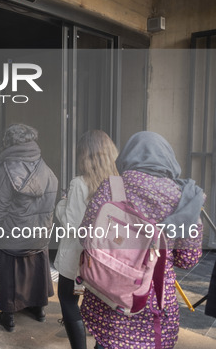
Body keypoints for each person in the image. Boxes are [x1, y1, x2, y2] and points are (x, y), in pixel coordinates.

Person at [79, 131, 204, 349]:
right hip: (152, 299)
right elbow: (188, 259)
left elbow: (86, 235)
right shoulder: (182, 200)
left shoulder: (111, 187)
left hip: (108, 297)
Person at [0, 124, 58, 332]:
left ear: (8, 142)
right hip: (39, 234)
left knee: (9, 271)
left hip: (13, 233)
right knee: (36, 268)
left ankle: (8, 315)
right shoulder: (44, 166)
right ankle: (39, 309)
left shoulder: (5, 168)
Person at [53, 130, 118, 349]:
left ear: (85, 155)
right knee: (103, 307)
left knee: (68, 300)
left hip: (77, 257)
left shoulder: (79, 183)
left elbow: (72, 225)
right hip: (106, 258)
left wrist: (61, 204)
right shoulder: (118, 184)